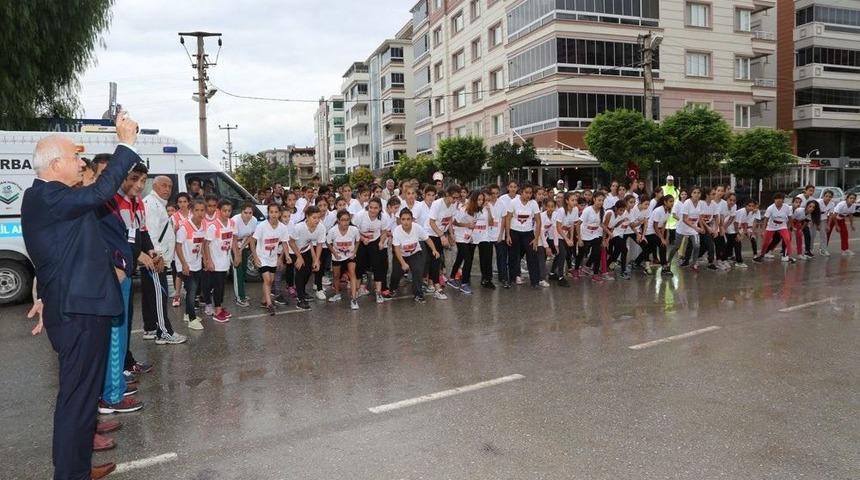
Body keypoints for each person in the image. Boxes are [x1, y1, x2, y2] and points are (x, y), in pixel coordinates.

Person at [22, 113, 140, 480]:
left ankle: (75, 469)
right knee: (77, 399)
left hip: (75, 306)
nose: (81, 164)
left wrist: (44, 296)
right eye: (75, 159)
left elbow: (55, 256)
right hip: (80, 313)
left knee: (82, 398)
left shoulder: (49, 198)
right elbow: (101, 191)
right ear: (56, 165)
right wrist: (126, 144)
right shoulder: (49, 196)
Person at [142, 175, 186, 345]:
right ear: (154, 186)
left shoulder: (156, 203)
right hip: (155, 260)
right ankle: (164, 332)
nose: (167, 189)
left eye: (170, 186)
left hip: (152, 258)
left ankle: (150, 328)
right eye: (163, 185)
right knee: (160, 296)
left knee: (149, 295)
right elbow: (151, 233)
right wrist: (158, 256)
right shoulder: (153, 204)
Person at [391, 208, 441, 303]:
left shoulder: (417, 227)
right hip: (401, 255)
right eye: (403, 219)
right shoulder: (397, 231)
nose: (406, 222)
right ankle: (393, 288)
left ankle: (418, 294)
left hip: (415, 253)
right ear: (400, 220)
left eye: (408, 219)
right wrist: (403, 263)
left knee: (418, 271)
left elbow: (427, 239)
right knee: (396, 274)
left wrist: (434, 250)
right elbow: (396, 249)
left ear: (412, 220)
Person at [250, 204, 290, 315]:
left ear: (279, 213)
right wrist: (255, 256)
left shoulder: (282, 227)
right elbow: (252, 241)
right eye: (271, 212)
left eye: (276, 212)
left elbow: (285, 242)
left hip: (272, 258)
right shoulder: (262, 226)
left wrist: (287, 255)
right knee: (267, 280)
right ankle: (269, 304)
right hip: (262, 257)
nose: (274, 214)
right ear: (268, 213)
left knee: (270, 280)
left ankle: (264, 300)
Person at [175, 199, 208, 330]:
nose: (200, 213)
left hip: (196, 262)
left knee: (193, 290)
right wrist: (184, 264)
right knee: (191, 290)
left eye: (202, 210)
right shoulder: (184, 227)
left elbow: (203, 244)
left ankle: (187, 314)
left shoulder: (203, 225)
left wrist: (205, 259)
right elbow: (178, 247)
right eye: (197, 210)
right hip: (185, 263)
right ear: (191, 211)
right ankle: (192, 320)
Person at [203, 199, 237, 322]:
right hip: (216, 261)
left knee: (222, 286)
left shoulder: (232, 223)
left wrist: (236, 255)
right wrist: (209, 261)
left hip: (225, 260)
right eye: (224, 210)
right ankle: (217, 310)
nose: (227, 213)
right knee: (218, 286)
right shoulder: (214, 226)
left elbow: (233, 240)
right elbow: (206, 244)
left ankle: (220, 306)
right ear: (219, 210)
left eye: (229, 210)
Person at [288, 205, 326, 310]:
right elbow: (291, 242)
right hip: (294, 250)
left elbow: (319, 244)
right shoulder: (299, 227)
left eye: (319, 217)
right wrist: (299, 257)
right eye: (314, 217)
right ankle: (300, 300)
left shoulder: (321, 227)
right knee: (300, 271)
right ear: (307, 217)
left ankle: (302, 292)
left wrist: (316, 260)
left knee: (309, 271)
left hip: (306, 249)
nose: (317, 220)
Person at [505, 184, 542, 288]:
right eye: (526, 192)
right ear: (521, 192)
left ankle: (535, 281)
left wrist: (536, 238)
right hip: (514, 231)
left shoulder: (533, 203)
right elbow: (508, 219)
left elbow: (538, 221)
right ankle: (513, 277)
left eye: (530, 193)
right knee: (513, 255)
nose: (528, 195)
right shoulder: (513, 202)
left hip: (528, 233)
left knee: (532, 255)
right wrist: (508, 235)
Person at [326, 209, 361, 309]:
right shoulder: (333, 231)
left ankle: (354, 299)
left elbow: (358, 241)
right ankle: (337, 294)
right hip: (337, 256)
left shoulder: (354, 230)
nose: (345, 222)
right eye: (343, 220)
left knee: (352, 274)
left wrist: (354, 252)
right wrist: (334, 252)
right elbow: (328, 242)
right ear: (338, 220)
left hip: (350, 255)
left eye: (347, 220)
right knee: (336, 276)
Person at [753, 193, 796, 263]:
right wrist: (763, 230)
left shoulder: (787, 207)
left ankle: (789, 256)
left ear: (783, 200)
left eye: (780, 199)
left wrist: (789, 228)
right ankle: (762, 255)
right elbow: (766, 219)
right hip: (771, 225)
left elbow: (790, 218)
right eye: (777, 199)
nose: (778, 201)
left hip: (782, 225)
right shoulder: (770, 208)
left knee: (787, 239)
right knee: (766, 241)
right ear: (774, 200)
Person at [231, 202, 258, 307]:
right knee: (237, 271)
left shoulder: (254, 220)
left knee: (243, 271)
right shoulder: (235, 220)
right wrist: (237, 254)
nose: (248, 215)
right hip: (232, 245)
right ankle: (239, 298)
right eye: (245, 212)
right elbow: (233, 239)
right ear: (241, 212)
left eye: (250, 213)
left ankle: (241, 293)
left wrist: (241, 249)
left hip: (244, 245)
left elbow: (251, 236)